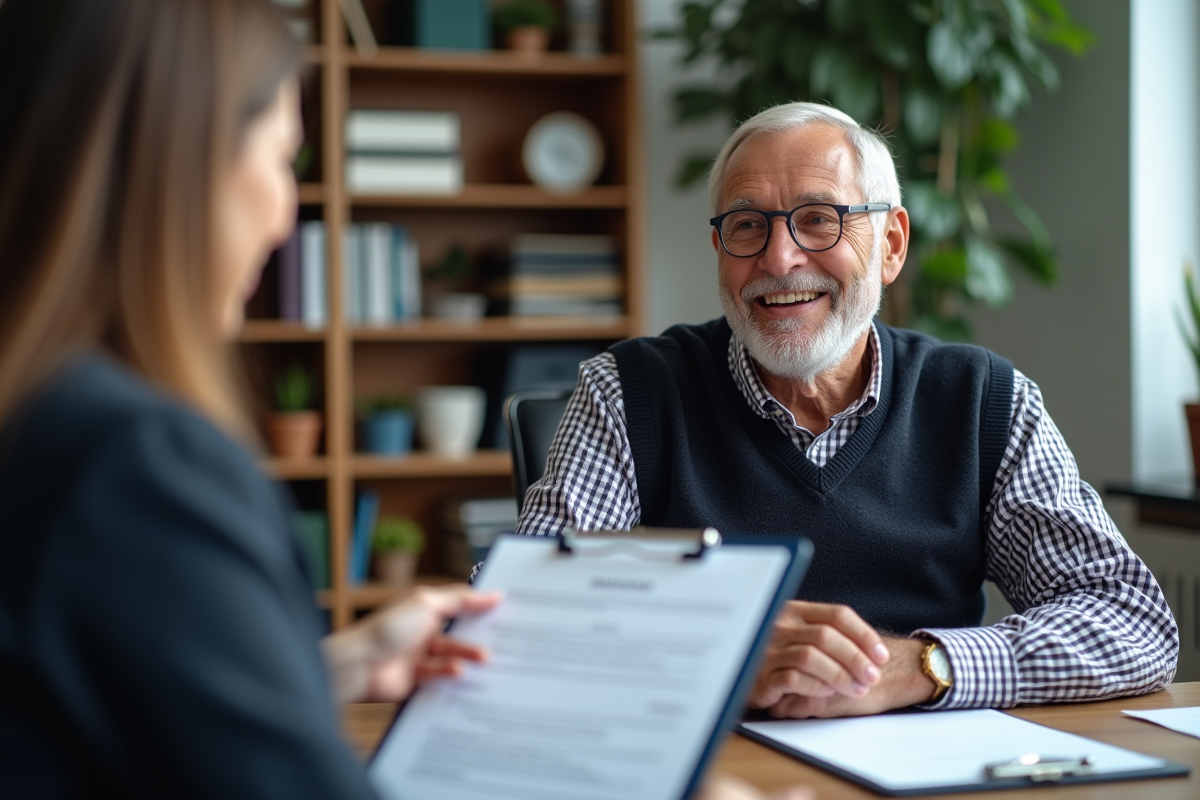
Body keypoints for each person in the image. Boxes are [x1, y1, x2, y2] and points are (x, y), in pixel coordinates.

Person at [0, 2, 810, 799]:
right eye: (283, 159)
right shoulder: (137, 467)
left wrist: (324, 669)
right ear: (174, 168)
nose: (285, 215)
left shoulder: (41, 426)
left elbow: (109, 717)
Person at [516, 101, 1179, 719]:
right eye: (747, 225)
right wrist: (713, 654)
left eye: (819, 219)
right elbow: (520, 615)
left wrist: (924, 666)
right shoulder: (629, 391)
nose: (780, 259)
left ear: (890, 244)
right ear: (720, 249)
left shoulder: (982, 403)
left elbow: (1133, 622)